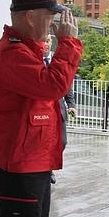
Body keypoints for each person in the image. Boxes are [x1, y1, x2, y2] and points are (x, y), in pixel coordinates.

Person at [0, 0, 83, 217]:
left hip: (32, 162)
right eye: (49, 16)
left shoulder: (26, 50)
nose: (54, 25)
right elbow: (53, 86)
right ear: (29, 17)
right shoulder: (12, 54)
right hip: (19, 167)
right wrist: (69, 45)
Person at [42, 38, 77, 184]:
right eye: (44, 40)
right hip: (43, 109)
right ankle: (46, 170)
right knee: (44, 142)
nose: (46, 43)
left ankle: (48, 167)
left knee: (62, 142)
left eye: (49, 40)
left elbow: (66, 83)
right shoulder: (35, 60)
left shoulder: (58, 59)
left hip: (59, 108)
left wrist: (71, 104)